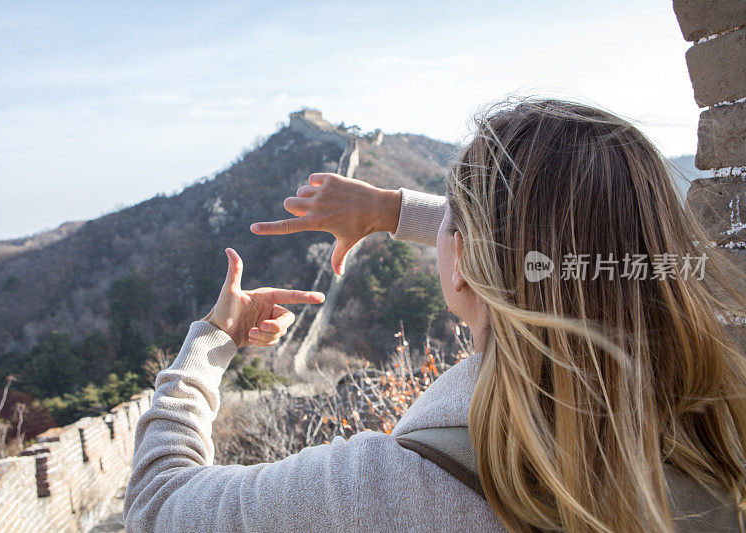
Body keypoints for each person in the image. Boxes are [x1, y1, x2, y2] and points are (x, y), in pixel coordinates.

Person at [123, 98, 746, 532]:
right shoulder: (715, 415)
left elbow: (158, 507)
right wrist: (392, 211)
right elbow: (576, 259)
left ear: (466, 264)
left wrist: (209, 346)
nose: (440, 218)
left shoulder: (400, 493)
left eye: (452, 212)